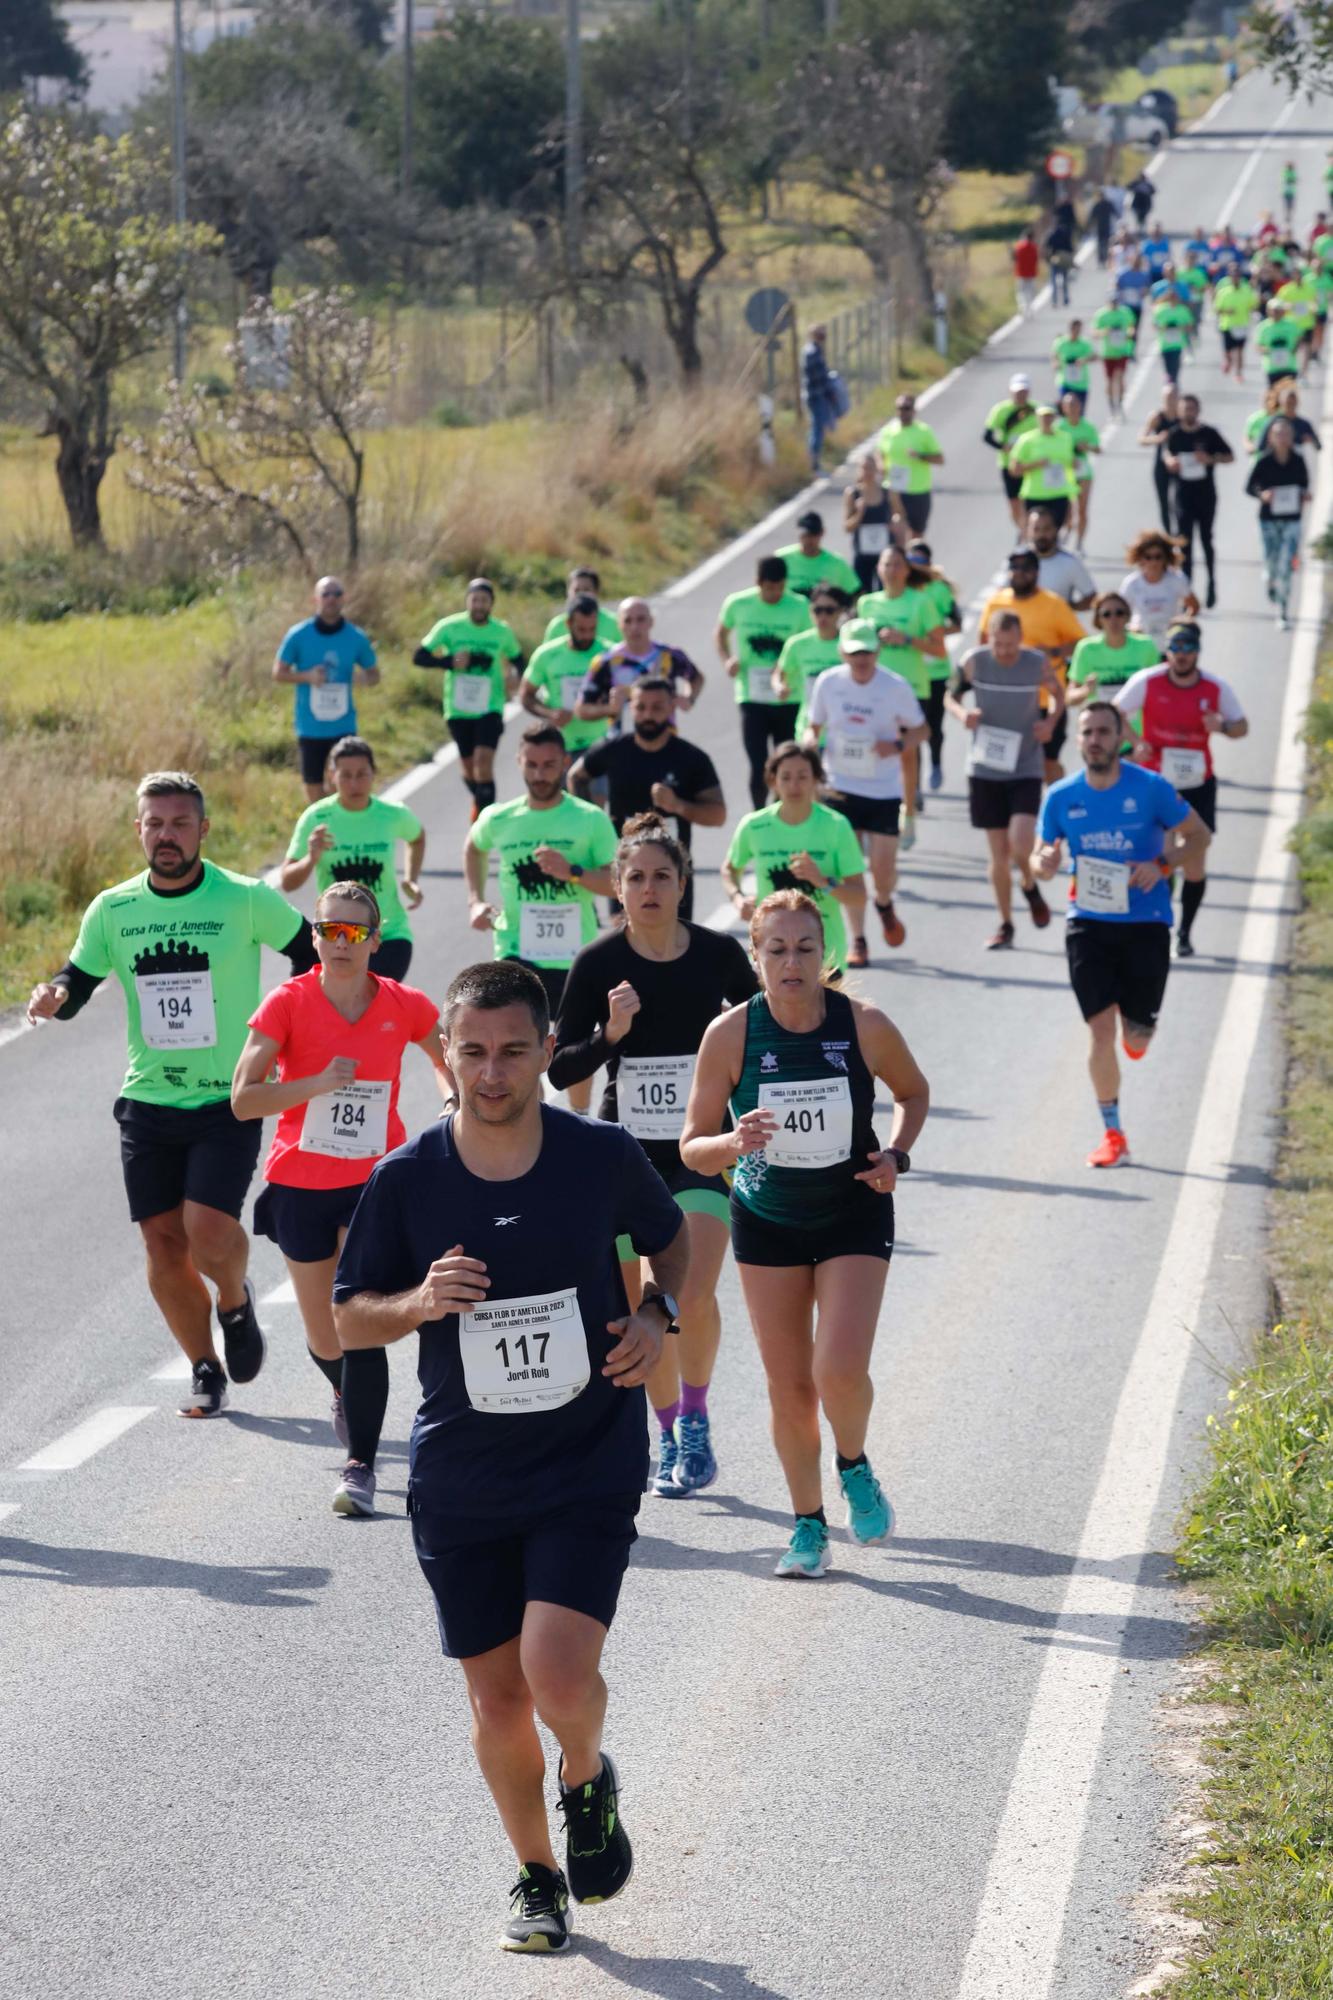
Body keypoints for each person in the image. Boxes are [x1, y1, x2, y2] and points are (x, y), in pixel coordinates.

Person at [332, 959, 690, 1954]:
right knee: (495, 1699)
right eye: (472, 1051)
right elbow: (350, 1317)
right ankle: (536, 1875)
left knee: (557, 1675)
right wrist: (416, 1301)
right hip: (461, 1475)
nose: (492, 1071)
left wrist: (658, 1314)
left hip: (586, 1457)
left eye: (513, 1051)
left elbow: (671, 1241)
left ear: (545, 1051)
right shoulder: (408, 1177)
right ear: (446, 1054)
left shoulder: (598, 1153)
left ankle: (585, 1772)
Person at [26, 772, 315, 1416]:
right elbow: (77, 978)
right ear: (138, 830)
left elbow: (309, 954)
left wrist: (283, 1032)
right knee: (162, 1243)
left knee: (207, 1228)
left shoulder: (244, 898)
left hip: (225, 1099)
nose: (167, 835)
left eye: (180, 823)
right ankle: (204, 1366)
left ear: (203, 830)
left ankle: (234, 1303)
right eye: (154, 824)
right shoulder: (114, 908)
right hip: (148, 1099)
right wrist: (56, 993)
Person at [680, 891, 930, 1578]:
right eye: (777, 950)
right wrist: (733, 1140)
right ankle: (807, 1527)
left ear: (826, 956)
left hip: (852, 1209)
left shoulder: (863, 1024)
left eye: (805, 949)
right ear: (756, 957)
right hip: (766, 1220)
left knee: (837, 1370)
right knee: (789, 1389)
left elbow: (913, 1092)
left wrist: (895, 1156)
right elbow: (691, 1149)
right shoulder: (730, 1035)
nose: (791, 962)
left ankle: (852, 1464)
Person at [551, 817, 756, 1500]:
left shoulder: (717, 956)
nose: (647, 888)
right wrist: (610, 1034)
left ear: (682, 883)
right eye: (634, 877)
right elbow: (559, 1070)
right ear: (615, 886)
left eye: (660, 876)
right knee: (640, 1304)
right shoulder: (598, 964)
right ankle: (665, 1430)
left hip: (698, 1150)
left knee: (686, 1292)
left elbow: (763, 1036)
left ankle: (694, 1419)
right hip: (622, 1155)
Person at [231, 883, 450, 1515]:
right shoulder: (288, 1002)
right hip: (301, 1182)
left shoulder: (402, 1003)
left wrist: (448, 1096)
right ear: (315, 936)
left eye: (355, 933)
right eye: (330, 931)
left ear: (376, 940)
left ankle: (360, 1466)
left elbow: (445, 1056)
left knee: (358, 1325)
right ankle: (344, 1394)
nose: (341, 943)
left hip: (374, 1181)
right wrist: (314, 1084)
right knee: (327, 1337)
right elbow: (244, 1098)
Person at [1032, 704, 1209, 1167]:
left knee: (1138, 1033)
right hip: (1087, 923)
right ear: (1078, 740)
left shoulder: (1150, 788)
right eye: (1087, 732)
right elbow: (1039, 855)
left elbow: (1199, 834)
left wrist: (1163, 865)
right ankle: (1113, 1132)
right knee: (1100, 1029)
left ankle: (1140, 1030)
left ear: (1119, 739)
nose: (1094, 739)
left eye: (1104, 732)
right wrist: (1043, 863)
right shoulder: (1060, 796)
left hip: (1146, 924)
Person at [464, 725, 618, 1113]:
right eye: (531, 764)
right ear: (518, 763)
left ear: (565, 763)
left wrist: (574, 873)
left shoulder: (589, 819)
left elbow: (619, 884)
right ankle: (528, 1120)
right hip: (516, 952)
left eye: (549, 764)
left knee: (575, 1050)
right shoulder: (499, 818)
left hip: (574, 956)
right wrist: (475, 900)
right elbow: (474, 846)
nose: (539, 773)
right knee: (514, 1044)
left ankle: (580, 1122)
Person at [1114, 622, 1248, 959]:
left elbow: (1242, 726)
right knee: (1162, 853)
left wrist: (1223, 726)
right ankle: (1160, 922)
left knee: (1193, 863)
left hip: (1197, 782)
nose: (1182, 654)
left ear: (1197, 651)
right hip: (1157, 782)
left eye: (1188, 648)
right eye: (1176, 647)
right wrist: (1135, 742)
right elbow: (1114, 711)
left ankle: (1185, 932)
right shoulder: (1149, 680)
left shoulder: (1215, 687)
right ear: (1168, 651)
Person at [804, 618, 928, 950]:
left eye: (868, 652)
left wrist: (898, 745)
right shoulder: (828, 683)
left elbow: (921, 730)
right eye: (855, 652)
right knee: (848, 868)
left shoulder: (895, 687)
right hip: (839, 785)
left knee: (882, 870)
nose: (861, 660)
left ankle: (884, 903)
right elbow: (812, 727)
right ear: (842, 652)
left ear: (878, 651)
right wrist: (809, 746)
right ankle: (858, 939)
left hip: (883, 789)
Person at [945, 612, 1061, 950]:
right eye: (999, 644)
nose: (1006, 652)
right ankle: (1006, 923)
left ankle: (1028, 882)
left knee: (1021, 843)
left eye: (1012, 645)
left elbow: (1056, 695)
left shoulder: (1036, 663)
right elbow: (950, 695)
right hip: (986, 767)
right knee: (998, 852)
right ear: (988, 638)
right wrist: (962, 714)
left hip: (1025, 762)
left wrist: (1050, 722)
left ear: (1021, 638)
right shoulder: (974, 662)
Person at [568, 678, 725, 921]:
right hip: (626, 868)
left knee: (676, 945)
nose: (648, 715)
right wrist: (592, 822)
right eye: (641, 707)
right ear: (631, 708)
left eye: (657, 708)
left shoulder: (691, 758)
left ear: (672, 708)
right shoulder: (614, 750)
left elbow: (718, 814)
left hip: (671, 871)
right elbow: (576, 776)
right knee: (623, 941)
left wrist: (678, 805)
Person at [280, 736, 425, 980]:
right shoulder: (316, 818)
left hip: (388, 936)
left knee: (372, 1010)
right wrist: (311, 859)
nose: (354, 783)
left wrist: (411, 878)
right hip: (337, 939)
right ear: (331, 775)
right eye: (346, 775)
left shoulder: (392, 814)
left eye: (362, 774)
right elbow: (287, 881)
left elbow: (417, 837)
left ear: (374, 773)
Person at [723, 741, 870, 971]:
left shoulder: (836, 826)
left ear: (815, 779)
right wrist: (737, 897)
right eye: (786, 777)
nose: (794, 785)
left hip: (825, 955)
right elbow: (730, 869)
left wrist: (822, 881)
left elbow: (859, 896)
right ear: (773, 781)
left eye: (802, 776)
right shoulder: (754, 826)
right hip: (771, 953)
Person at [855, 544, 946, 843]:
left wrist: (906, 638)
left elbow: (939, 648)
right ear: (878, 569)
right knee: (871, 748)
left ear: (906, 571)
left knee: (906, 751)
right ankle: (869, 811)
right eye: (886, 564)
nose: (891, 570)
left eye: (897, 564)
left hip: (911, 687)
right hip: (873, 686)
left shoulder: (920, 602)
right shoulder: (867, 604)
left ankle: (907, 813)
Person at [413, 577, 523, 819]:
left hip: (490, 707)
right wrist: (448, 662)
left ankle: (485, 823)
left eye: (484, 601)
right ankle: (480, 799)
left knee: (483, 764)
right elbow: (419, 657)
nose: (479, 605)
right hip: (458, 708)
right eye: (475, 600)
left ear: (491, 604)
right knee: (469, 769)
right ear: (467, 602)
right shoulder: (449, 627)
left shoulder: (501, 631)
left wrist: (514, 676)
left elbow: (519, 660)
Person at [978, 547, 1085, 783]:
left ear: (1036, 572)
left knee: (1048, 761)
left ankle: (1055, 808)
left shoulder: (1053, 604)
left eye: (1026, 567)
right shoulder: (996, 602)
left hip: (1046, 698)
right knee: (1005, 762)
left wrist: (1054, 651)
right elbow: (983, 645)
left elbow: (1079, 642)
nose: (1019, 572)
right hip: (1006, 698)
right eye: (1014, 567)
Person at [716, 554, 812, 811]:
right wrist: (727, 659)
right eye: (769, 588)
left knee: (785, 761)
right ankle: (758, 813)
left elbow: (807, 645)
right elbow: (721, 634)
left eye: (780, 587)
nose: (775, 594)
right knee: (758, 763)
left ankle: (780, 810)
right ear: (758, 582)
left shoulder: (800, 606)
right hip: (751, 696)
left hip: (787, 697)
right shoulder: (738, 604)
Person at [273, 576, 380, 804]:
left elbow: (374, 675)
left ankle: (338, 832)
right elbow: (279, 673)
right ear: (316, 599)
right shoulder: (299, 635)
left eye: (337, 594)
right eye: (326, 594)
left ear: (344, 599)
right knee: (313, 787)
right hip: (310, 725)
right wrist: (307, 676)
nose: (331, 599)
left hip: (343, 724)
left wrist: (360, 678)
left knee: (340, 785)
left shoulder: (355, 637)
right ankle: (322, 828)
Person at [575, 598, 704, 732]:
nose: (634, 627)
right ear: (619, 624)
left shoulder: (670, 655)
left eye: (640, 619)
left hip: (665, 740)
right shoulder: (606, 662)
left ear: (651, 621)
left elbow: (696, 678)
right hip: (623, 744)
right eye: (628, 621)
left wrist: (690, 698)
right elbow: (581, 709)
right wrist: (610, 709)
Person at [1161, 394, 1234, 610]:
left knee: (1206, 539)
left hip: (1205, 494)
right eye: (1185, 409)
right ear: (1180, 412)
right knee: (1185, 545)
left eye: (1192, 408)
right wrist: (1170, 462)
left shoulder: (1209, 434)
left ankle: (1211, 583)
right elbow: (1166, 455)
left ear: (1198, 410)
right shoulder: (1175, 435)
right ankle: (1188, 593)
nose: (1188, 413)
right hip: (1183, 495)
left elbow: (1230, 456)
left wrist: (1210, 459)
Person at [903, 539, 963, 794]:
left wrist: (933, 635)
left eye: (920, 561)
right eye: (911, 560)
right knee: (911, 728)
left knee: (933, 726)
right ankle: (913, 785)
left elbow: (957, 624)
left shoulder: (939, 590)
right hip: (909, 671)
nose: (915, 565)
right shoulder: (900, 590)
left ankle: (936, 763)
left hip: (935, 669)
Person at [521, 595, 610, 762]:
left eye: (592, 629)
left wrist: (606, 704)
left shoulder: (610, 654)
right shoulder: (546, 655)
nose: (587, 636)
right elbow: (526, 695)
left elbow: (630, 693)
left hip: (603, 744)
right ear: (568, 624)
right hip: (561, 748)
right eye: (581, 630)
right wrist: (550, 714)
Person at [1246, 417, 1312, 629]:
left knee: (1286, 567)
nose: (1283, 438)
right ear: (1271, 438)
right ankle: (1269, 581)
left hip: (1292, 519)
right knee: (1272, 562)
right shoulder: (1264, 461)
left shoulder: (1298, 460)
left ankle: (1283, 610)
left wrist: (1304, 495)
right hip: (1269, 520)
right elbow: (1249, 487)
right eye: (1278, 434)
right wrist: (1262, 495)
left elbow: (1304, 484)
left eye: (1286, 434)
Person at [775, 588, 852, 741]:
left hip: (844, 733)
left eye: (829, 610)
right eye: (817, 610)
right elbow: (779, 673)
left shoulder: (851, 645)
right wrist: (779, 686)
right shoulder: (797, 644)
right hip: (809, 731)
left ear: (840, 612)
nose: (823, 616)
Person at [1067, 593, 1162, 711]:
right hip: (1099, 726)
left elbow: (1161, 690)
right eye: (1106, 614)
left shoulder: (1146, 645)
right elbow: (1070, 697)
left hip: (1137, 728)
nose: (1113, 619)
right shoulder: (1086, 648)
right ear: (1098, 619)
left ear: (1127, 617)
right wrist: (1085, 690)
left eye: (1119, 613)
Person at [877, 391, 945, 536]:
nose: (902, 412)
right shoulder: (888, 431)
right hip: (894, 489)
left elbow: (940, 459)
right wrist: (881, 464)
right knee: (895, 531)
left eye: (906, 408)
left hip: (918, 490)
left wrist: (920, 456)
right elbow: (880, 451)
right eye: (899, 408)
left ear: (914, 410)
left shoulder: (924, 431)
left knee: (916, 534)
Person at [1004, 404, 1077, 534]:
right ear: (1037, 418)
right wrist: (1035, 465)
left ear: (1054, 418)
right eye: (1043, 417)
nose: (1046, 420)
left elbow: (1070, 462)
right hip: (1035, 494)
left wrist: (1074, 464)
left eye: (1049, 417)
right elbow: (1014, 470)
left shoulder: (1065, 438)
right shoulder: (1027, 439)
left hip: (1059, 493)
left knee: (1055, 532)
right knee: (1035, 533)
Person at [1119, 529, 1199, 643]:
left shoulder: (1177, 579)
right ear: (1140, 558)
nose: (1153, 562)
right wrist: (1131, 628)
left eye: (1158, 556)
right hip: (1141, 645)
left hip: (1170, 645)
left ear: (1166, 557)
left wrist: (1182, 625)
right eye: (1148, 557)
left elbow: (1194, 606)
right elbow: (1119, 613)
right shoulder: (1131, 583)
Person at [984, 372, 1040, 533]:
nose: (1020, 395)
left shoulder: (1036, 409)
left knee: (1030, 501)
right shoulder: (1001, 410)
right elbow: (987, 436)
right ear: (1010, 391)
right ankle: (1023, 531)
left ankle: (1031, 532)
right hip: (1008, 463)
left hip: (1030, 464)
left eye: (1024, 392)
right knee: (1014, 503)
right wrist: (1003, 447)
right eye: (1017, 392)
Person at [775, 510, 860, 601]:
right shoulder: (781, 559)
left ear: (822, 532)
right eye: (805, 535)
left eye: (813, 534)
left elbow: (857, 593)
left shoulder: (836, 563)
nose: (809, 539)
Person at [843, 451, 897, 592]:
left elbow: (900, 516)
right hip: (862, 554)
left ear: (876, 469)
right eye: (864, 468)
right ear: (859, 470)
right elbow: (847, 527)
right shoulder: (852, 494)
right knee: (862, 593)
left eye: (870, 467)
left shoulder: (887, 492)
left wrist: (894, 524)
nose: (867, 472)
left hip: (884, 555)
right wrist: (859, 514)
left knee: (884, 592)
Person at [1026, 504, 1096, 610]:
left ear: (1056, 529)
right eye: (1036, 529)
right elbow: (997, 592)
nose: (1041, 534)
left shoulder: (1070, 563)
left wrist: (1067, 609)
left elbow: (1091, 597)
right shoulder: (1017, 561)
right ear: (1028, 530)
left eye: (1046, 528)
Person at [1139, 383, 1182, 535]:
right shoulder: (1157, 417)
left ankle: (1180, 532)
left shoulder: (1182, 416)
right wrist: (1157, 439)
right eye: (1167, 397)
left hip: (1179, 465)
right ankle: (1169, 534)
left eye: (1173, 397)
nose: (1170, 400)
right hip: (1161, 464)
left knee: (1179, 501)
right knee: (1164, 502)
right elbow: (1142, 439)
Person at [543, 568, 620, 650]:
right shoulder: (557, 626)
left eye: (586, 590)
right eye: (576, 590)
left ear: (596, 592)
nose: (581, 594)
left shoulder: (615, 623)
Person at [1093, 290, 1137, 416]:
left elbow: (1131, 326)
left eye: (1116, 302)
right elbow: (1095, 332)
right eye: (1112, 302)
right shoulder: (1101, 315)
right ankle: (1111, 404)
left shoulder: (1125, 313)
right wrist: (1105, 332)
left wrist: (1129, 333)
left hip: (1122, 351)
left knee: (1120, 376)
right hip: (1108, 353)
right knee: (1110, 380)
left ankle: (1121, 402)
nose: (1114, 304)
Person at [802, 321, 837, 474]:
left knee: (818, 427)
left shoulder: (815, 350)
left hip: (817, 395)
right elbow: (818, 377)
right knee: (817, 428)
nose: (824, 336)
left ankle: (814, 461)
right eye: (821, 333)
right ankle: (813, 463)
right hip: (816, 395)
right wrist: (829, 391)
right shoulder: (812, 352)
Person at [1213, 265, 1259, 381]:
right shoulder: (1223, 292)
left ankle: (1238, 373)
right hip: (1227, 324)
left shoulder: (1247, 290)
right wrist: (1226, 311)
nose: (1235, 278)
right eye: (1233, 276)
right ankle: (1228, 361)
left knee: (1239, 350)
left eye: (1237, 275)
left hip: (1242, 324)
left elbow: (1253, 305)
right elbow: (1217, 310)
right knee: (1228, 351)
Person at [1151, 285, 1194, 386]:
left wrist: (1180, 327)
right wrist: (1164, 327)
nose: (1172, 299)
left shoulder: (1183, 310)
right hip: (1165, 343)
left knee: (1176, 364)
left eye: (1174, 296)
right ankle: (1170, 380)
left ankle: (1174, 381)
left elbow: (1190, 325)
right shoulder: (1160, 310)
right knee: (1167, 364)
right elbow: (1154, 325)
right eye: (1170, 297)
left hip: (1178, 343)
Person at [1051, 317, 1094, 416]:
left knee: (1079, 413)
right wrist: (1056, 363)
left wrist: (1083, 360)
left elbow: (1094, 356)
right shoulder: (1061, 342)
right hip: (1065, 382)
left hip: (1081, 383)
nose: (1076, 331)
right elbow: (1054, 355)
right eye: (1074, 329)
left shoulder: (1085, 343)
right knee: (1065, 412)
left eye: (1078, 329)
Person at [1255, 298, 1301, 389]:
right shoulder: (1263, 327)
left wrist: (1295, 348)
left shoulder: (1291, 324)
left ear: (1283, 312)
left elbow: (1299, 337)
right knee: (1274, 396)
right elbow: (1258, 345)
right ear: (1268, 311)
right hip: (1272, 368)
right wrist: (1266, 350)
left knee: (1289, 396)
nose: (1276, 313)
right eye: (1274, 310)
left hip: (1289, 366)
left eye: (1279, 310)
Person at [1045, 215, 1075, 308]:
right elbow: (1070, 248)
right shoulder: (1066, 233)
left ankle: (1054, 301)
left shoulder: (1052, 234)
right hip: (1064, 260)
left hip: (1055, 259)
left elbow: (1047, 246)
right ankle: (1065, 299)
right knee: (1065, 280)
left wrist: (1048, 258)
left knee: (1054, 281)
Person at [1013, 227, 1041, 315]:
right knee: (1031, 291)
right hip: (1031, 273)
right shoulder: (1034, 247)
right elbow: (1036, 259)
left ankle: (1023, 307)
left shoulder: (1019, 247)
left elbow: (1015, 258)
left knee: (1021, 292)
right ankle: (1030, 307)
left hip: (1021, 273)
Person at [1089, 188, 1117, 267]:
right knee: (1103, 245)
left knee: (1105, 245)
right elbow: (1115, 212)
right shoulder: (1104, 204)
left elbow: (1091, 217)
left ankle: (1104, 260)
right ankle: (1103, 260)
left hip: (1104, 227)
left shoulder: (1099, 204)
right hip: (1103, 227)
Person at [1283, 159, 1298, 227]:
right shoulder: (1285, 172)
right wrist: (1292, 179)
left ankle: (1289, 215)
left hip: (1291, 191)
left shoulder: (1293, 172)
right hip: (1286, 192)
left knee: (1291, 205)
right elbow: (1287, 179)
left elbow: (1295, 180)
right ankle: (1287, 216)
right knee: (1287, 205)